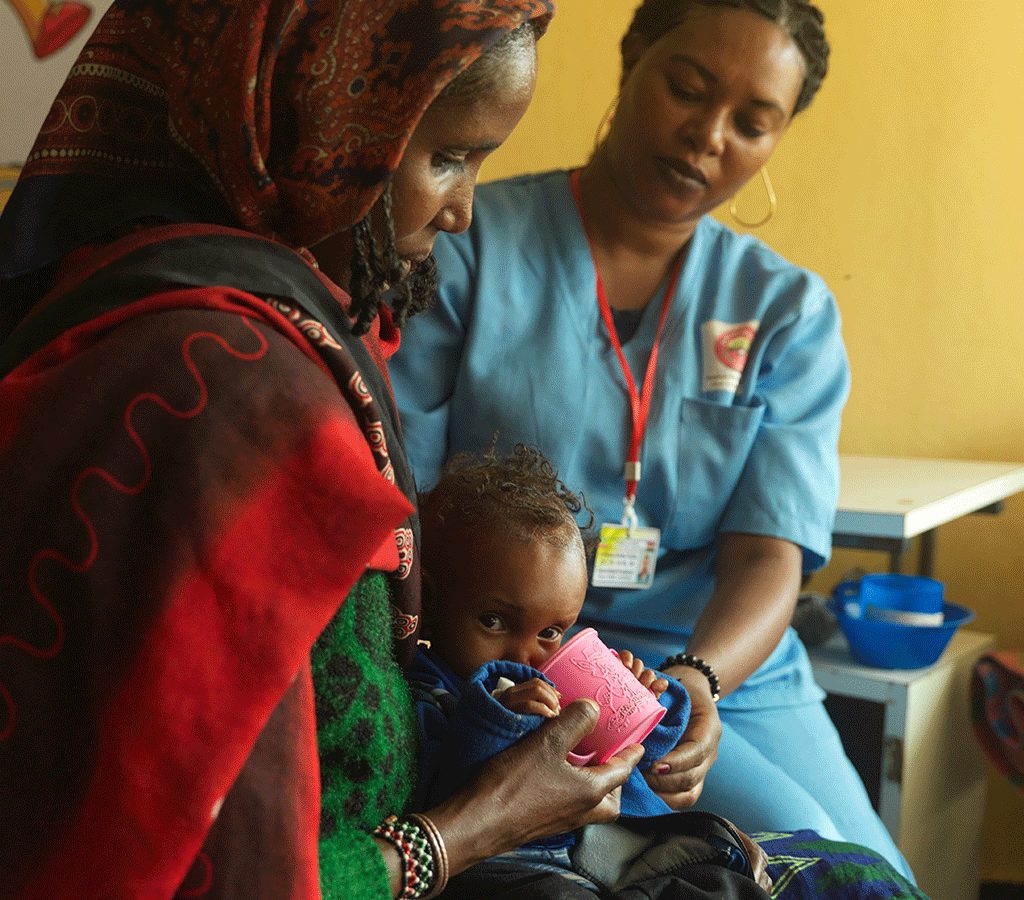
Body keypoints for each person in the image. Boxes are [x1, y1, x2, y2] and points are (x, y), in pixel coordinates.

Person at [0, 2, 656, 898]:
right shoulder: (230, 400)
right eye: (448, 157)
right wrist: (477, 825)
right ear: (319, 128)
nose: (464, 210)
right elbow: (220, 878)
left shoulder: (264, 318)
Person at [390, 0, 914, 880]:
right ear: (633, 59)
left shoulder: (786, 311)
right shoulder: (466, 241)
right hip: (528, 646)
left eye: (753, 122)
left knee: (862, 868)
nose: (709, 136)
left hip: (724, 661)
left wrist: (700, 678)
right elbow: (407, 500)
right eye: (688, 88)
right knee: (773, 858)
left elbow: (769, 555)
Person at [409, 445, 707, 894]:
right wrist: (500, 721)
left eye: (550, 631)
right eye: (494, 621)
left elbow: (641, 765)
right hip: (505, 872)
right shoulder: (425, 691)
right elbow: (448, 794)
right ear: (429, 606)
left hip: (606, 854)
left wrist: (643, 706)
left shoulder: (556, 683)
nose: (526, 655)